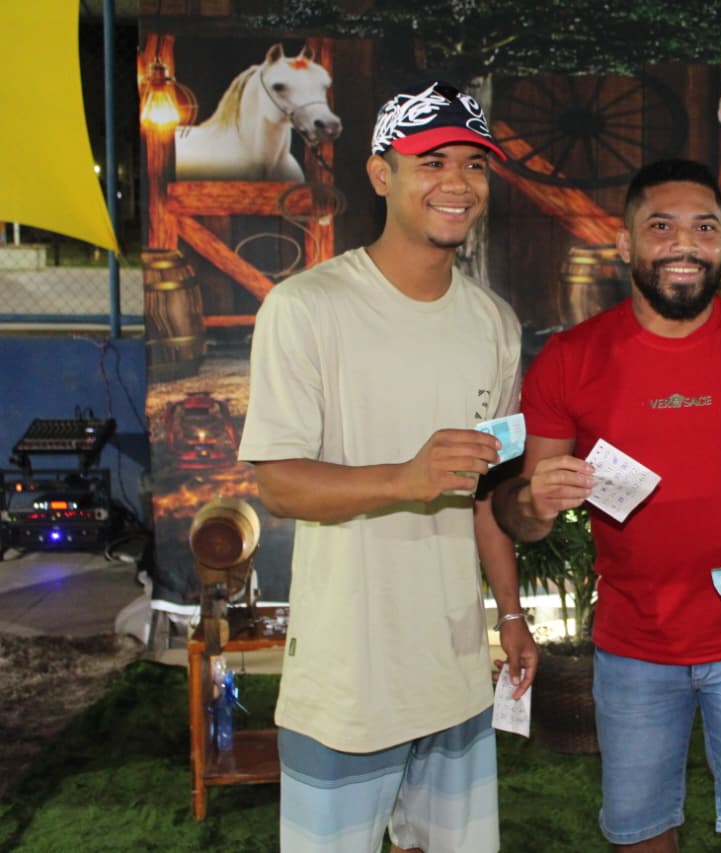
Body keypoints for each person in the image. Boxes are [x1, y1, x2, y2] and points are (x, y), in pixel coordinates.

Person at [495, 159, 721, 853]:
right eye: (661, 227)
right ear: (625, 244)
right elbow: (520, 514)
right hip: (634, 645)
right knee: (639, 836)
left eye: (705, 228)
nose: (685, 243)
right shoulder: (570, 358)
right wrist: (535, 503)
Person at [237, 80, 537, 853]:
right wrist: (405, 477)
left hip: (454, 672)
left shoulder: (495, 324)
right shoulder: (306, 307)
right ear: (381, 174)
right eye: (431, 162)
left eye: (474, 164)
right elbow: (278, 483)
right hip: (348, 679)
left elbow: (484, 492)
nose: (457, 183)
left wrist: (509, 615)